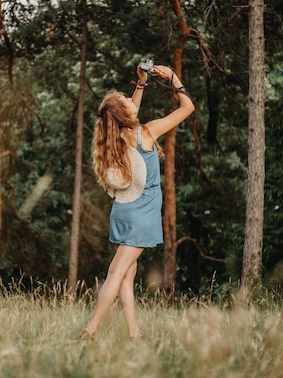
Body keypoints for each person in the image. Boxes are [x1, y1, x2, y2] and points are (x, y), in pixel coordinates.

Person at [78, 62, 195, 340]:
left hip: (122, 210)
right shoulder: (148, 132)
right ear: (124, 113)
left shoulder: (114, 137)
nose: (132, 103)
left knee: (127, 275)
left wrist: (141, 83)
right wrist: (173, 78)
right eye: (127, 101)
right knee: (117, 272)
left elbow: (129, 112)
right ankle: (90, 330)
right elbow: (187, 107)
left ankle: (134, 333)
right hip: (141, 214)